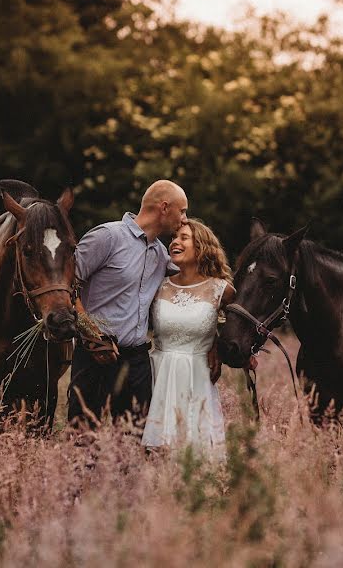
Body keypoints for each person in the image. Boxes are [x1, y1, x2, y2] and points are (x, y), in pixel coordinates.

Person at [68, 180, 193, 425]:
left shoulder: (161, 254)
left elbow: (196, 277)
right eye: (183, 211)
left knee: (134, 443)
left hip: (137, 361)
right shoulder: (107, 237)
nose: (185, 219)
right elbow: (67, 286)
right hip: (95, 355)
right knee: (82, 437)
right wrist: (89, 333)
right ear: (164, 207)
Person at [141, 219, 235, 458]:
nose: (175, 242)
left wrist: (216, 344)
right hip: (158, 375)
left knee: (195, 455)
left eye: (183, 237)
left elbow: (239, 327)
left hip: (196, 378)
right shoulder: (159, 286)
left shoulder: (221, 289)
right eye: (174, 238)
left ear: (201, 246)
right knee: (155, 455)